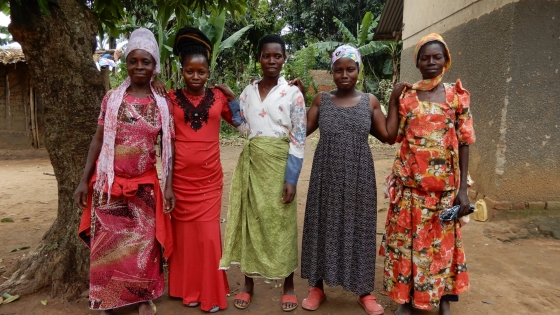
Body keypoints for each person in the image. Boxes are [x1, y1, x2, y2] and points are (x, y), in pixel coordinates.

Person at [75, 28, 175, 315]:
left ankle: (143, 298)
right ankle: (108, 299)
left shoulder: (161, 105)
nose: (139, 67)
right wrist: (84, 181)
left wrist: (168, 186)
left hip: (145, 187)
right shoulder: (112, 99)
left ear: (154, 65)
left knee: (144, 247)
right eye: (134, 61)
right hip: (109, 186)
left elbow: (169, 148)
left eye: (146, 62)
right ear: (126, 64)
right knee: (108, 247)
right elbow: (97, 139)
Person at [380, 33, 475, 315]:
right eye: (425, 57)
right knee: (408, 247)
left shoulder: (456, 96)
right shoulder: (407, 97)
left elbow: (465, 140)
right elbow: (394, 135)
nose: (431, 62)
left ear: (446, 60)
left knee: (441, 248)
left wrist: (463, 190)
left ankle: (443, 300)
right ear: (417, 62)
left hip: (445, 191)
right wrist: (393, 98)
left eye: (437, 57)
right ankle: (407, 300)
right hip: (410, 190)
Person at [300, 45, 397, 315]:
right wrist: (297, 98)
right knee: (322, 226)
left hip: (359, 178)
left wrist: (394, 100)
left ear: (359, 70)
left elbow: (389, 135)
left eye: (350, 69)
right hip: (326, 177)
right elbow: (301, 131)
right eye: (338, 69)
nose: (344, 74)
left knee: (360, 229)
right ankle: (317, 286)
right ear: (332, 72)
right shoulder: (322, 100)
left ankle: (364, 291)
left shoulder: (370, 101)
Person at [219, 34, 307, 312]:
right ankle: (248, 283)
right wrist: (233, 99)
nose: (272, 60)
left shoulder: (293, 94)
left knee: (282, 225)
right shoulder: (247, 92)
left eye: (277, 56)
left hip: (280, 166)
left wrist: (291, 179)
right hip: (253, 166)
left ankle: (288, 284)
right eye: (266, 55)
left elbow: (299, 138)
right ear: (259, 58)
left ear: (284, 58)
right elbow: (244, 128)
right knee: (251, 222)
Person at [165, 26, 242, 313]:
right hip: (181, 181)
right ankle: (188, 290)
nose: (195, 77)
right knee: (185, 238)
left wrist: (233, 98)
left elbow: (241, 125)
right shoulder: (170, 99)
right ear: (182, 70)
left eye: (201, 72)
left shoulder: (219, 97)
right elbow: (167, 145)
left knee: (209, 237)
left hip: (210, 182)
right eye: (189, 71)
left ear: (209, 72)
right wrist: (168, 184)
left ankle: (210, 293)